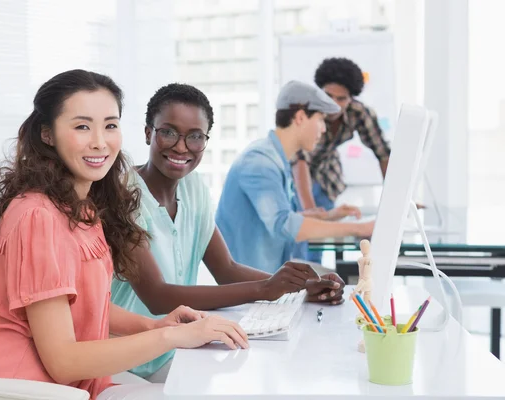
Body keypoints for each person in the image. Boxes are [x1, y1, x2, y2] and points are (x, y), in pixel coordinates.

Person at [0, 70, 248, 400]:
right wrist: (173, 339)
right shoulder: (37, 216)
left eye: (110, 125)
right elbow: (63, 361)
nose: (100, 141)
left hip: (73, 386)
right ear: (47, 134)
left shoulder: (83, 207)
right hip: (18, 387)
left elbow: (87, 306)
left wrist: (155, 326)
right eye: (82, 126)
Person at [111, 83, 344, 383]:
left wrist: (302, 286)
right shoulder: (122, 197)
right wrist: (266, 289)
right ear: (148, 133)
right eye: (168, 132)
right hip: (132, 362)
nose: (181, 147)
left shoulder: (193, 189)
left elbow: (226, 269)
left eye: (195, 137)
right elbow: (158, 296)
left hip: (179, 349)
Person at [215, 80, 375, 275]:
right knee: (334, 282)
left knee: (333, 281)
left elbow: (276, 219)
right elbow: (284, 225)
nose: (324, 129)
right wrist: (360, 229)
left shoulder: (276, 158)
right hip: (251, 284)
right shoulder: (260, 162)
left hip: (268, 274)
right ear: (300, 117)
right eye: (320, 119)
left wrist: (327, 216)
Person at [292, 57, 391, 214]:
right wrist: (311, 212)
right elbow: (299, 160)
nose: (333, 104)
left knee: (327, 233)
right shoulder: (306, 112)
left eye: (341, 98)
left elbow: (383, 153)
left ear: (351, 98)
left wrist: (396, 201)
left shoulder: (359, 113)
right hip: (295, 178)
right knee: (302, 228)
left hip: (326, 177)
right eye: (328, 96)